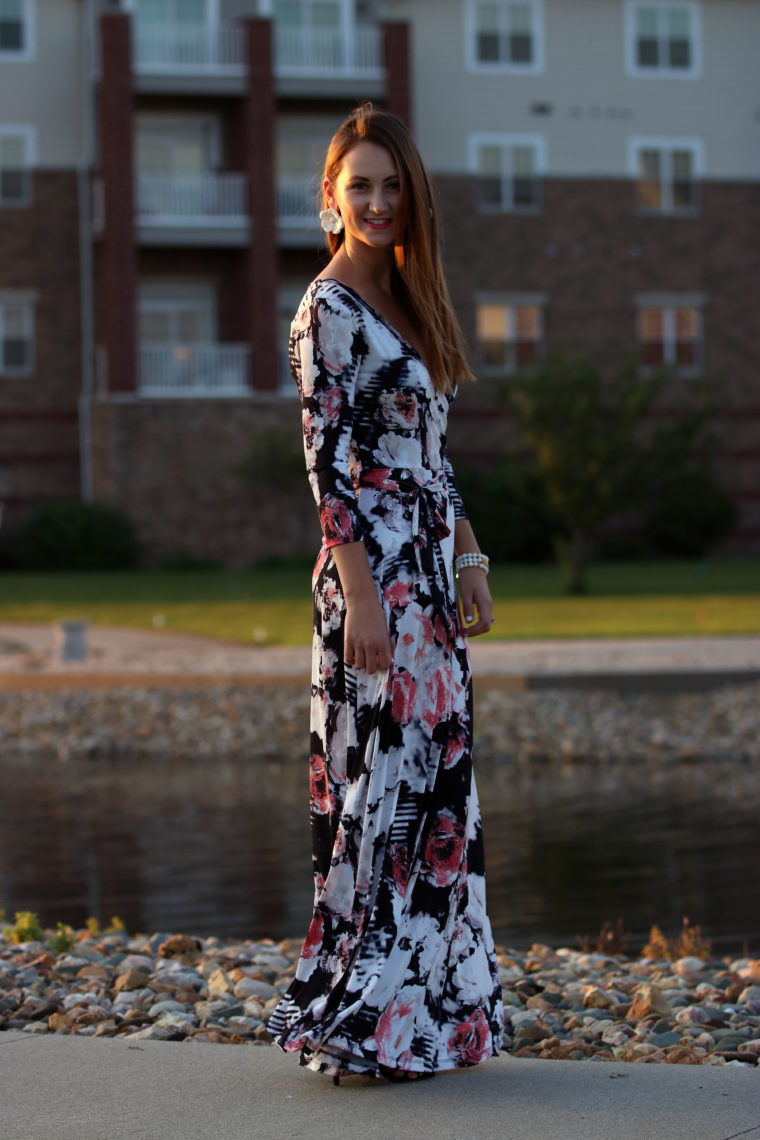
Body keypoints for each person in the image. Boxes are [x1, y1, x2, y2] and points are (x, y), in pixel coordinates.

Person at [268, 103, 503, 1082]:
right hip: (372, 585)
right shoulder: (326, 309)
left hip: (429, 582)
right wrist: (362, 594)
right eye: (357, 184)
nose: (375, 200)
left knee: (439, 784)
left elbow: (428, 457)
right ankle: (366, 1022)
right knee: (384, 796)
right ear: (329, 197)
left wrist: (470, 553)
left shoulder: (409, 304)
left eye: (391, 184)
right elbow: (331, 465)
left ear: (413, 198)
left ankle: (435, 1020)